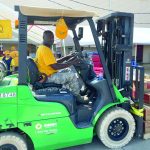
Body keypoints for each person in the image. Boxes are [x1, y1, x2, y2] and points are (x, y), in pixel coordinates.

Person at [35, 30, 83, 100]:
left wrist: (67, 57)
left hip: (48, 74)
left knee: (68, 70)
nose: (51, 40)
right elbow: (55, 66)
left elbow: (54, 62)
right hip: (48, 77)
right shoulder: (45, 50)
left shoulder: (42, 48)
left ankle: (71, 91)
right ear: (43, 37)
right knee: (71, 76)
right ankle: (77, 97)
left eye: (52, 37)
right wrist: (72, 62)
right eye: (49, 37)